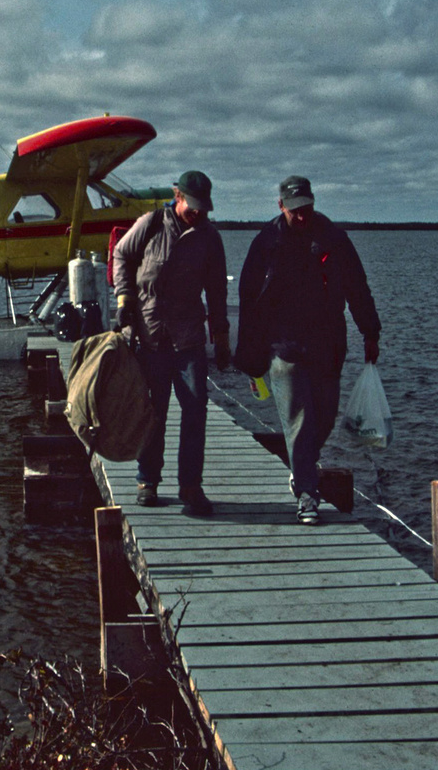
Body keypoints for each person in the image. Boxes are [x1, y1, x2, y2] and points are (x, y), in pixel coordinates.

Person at [234, 176, 380, 526]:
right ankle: (307, 494)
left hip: (327, 343)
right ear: (281, 206)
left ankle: (302, 468)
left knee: (325, 416)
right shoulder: (266, 242)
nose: (302, 216)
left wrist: (370, 331)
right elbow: (248, 299)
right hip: (284, 346)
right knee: (299, 420)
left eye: (308, 208)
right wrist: (249, 355)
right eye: (295, 210)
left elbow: (357, 287)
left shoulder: (333, 238)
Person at [112, 171, 231, 517]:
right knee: (154, 413)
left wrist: (221, 336)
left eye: (202, 209)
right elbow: (121, 255)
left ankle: (190, 486)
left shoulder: (210, 238)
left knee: (195, 411)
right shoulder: (151, 223)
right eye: (192, 206)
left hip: (189, 337)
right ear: (177, 197)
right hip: (150, 335)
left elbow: (217, 293)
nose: (197, 213)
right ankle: (147, 481)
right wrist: (124, 299)